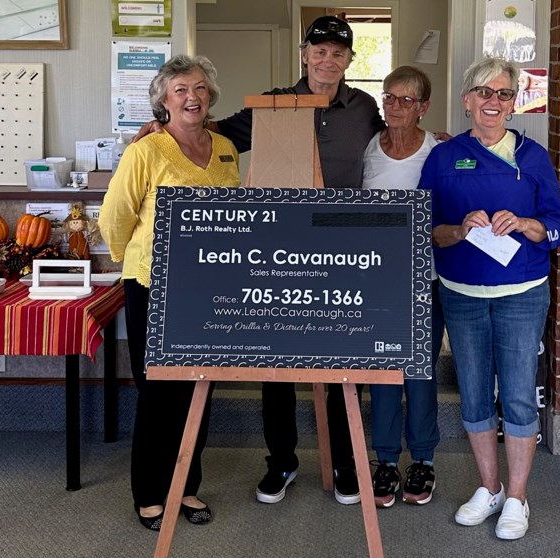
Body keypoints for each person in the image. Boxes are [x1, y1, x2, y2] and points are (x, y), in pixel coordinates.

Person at [133, 15, 386, 507]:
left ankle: (344, 463)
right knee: (278, 360)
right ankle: (283, 461)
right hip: (284, 249)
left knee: (343, 360)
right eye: (319, 50)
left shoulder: (364, 107)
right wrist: (164, 125)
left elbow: (389, 143)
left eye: (338, 52)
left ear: (350, 60)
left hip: (343, 249)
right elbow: (215, 132)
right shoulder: (274, 103)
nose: (327, 59)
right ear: (304, 54)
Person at [418, 57, 560, 540]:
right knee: (476, 393)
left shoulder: (534, 156)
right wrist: (459, 229)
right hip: (462, 293)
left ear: (513, 103)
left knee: (520, 395)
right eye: (484, 92)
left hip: (522, 292)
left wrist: (525, 224)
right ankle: (489, 488)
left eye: (504, 94)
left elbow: (558, 227)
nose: (493, 102)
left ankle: (518, 497)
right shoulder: (443, 158)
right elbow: (425, 227)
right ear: (467, 100)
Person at [99, 54, 241, 531]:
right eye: (180, 89)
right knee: (159, 390)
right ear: (163, 99)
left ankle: (187, 485)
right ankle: (150, 492)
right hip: (154, 287)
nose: (191, 97)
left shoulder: (224, 149)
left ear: (210, 97)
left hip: (211, 288)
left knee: (201, 385)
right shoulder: (145, 151)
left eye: (199, 88)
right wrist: (136, 260)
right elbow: (114, 217)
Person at [361, 65, 445, 509]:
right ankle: (387, 460)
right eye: (389, 98)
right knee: (382, 375)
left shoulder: (439, 150)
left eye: (405, 100)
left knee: (420, 373)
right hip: (377, 283)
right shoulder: (368, 148)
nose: (394, 106)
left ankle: (424, 460)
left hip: (424, 280)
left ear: (423, 107)